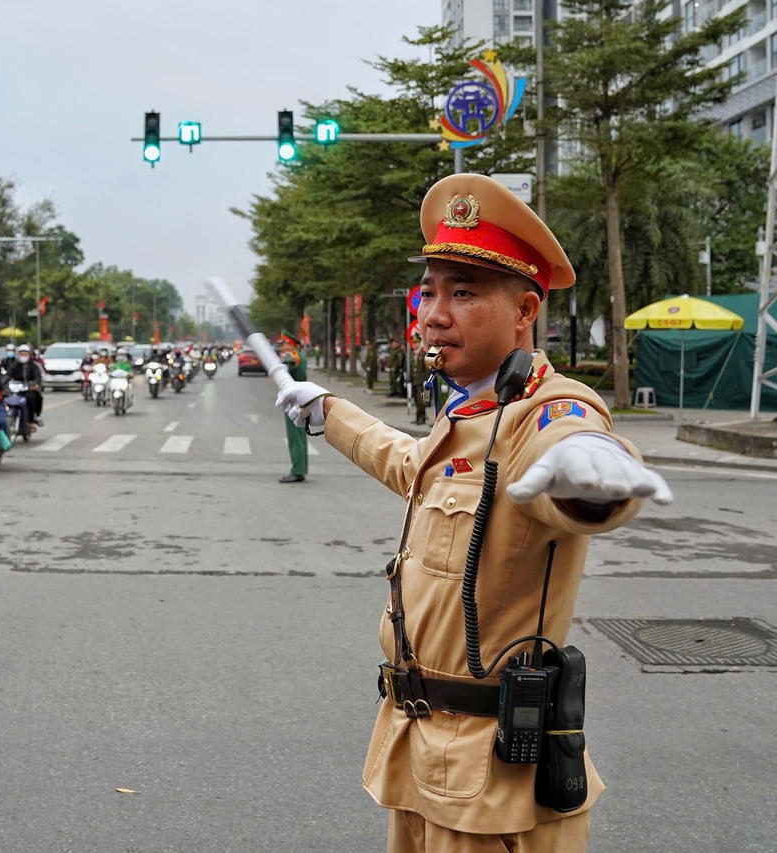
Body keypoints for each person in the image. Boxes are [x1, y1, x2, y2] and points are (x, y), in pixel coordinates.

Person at [276, 173, 674, 851]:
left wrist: (590, 467)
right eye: (429, 291)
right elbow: (412, 465)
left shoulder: (547, 408)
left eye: (463, 293)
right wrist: (329, 411)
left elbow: (570, 445)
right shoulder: (471, 409)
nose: (434, 314)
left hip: (490, 783)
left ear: (524, 310)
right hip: (419, 753)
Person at [277, 332, 307, 484]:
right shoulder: (299, 355)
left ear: (290, 344)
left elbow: (291, 363)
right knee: (300, 436)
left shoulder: (294, 357)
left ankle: (297, 471)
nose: (282, 347)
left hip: (294, 402)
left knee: (295, 437)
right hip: (300, 400)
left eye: (284, 343)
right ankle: (301, 469)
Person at [7, 343, 44, 426]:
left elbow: (37, 377)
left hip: (28, 389)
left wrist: (35, 384)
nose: (23, 356)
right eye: (21, 354)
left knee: (33, 398)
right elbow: (7, 376)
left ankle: (32, 419)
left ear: (29, 355)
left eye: (25, 354)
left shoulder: (34, 366)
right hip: (16, 389)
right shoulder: (14, 365)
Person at [409, 329, 429, 425]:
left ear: (419, 343)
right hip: (414, 381)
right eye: (413, 343)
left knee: (421, 401)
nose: (414, 345)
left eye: (416, 343)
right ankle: (417, 417)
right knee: (416, 400)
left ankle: (422, 418)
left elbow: (427, 369)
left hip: (421, 381)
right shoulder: (412, 354)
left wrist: (426, 380)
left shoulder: (423, 354)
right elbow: (410, 368)